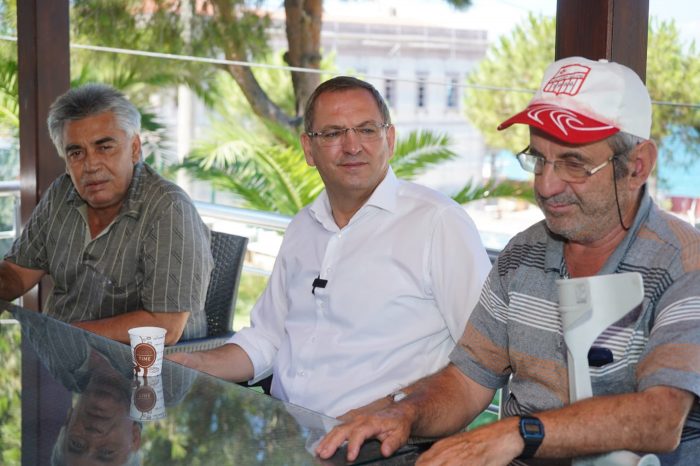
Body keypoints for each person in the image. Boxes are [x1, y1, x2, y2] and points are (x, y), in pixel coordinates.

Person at [317, 57, 700, 464]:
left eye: (574, 164)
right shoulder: (522, 254)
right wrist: (405, 413)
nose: (546, 186)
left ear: (637, 166)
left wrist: (519, 433)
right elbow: (467, 381)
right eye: (538, 159)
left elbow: (661, 417)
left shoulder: (683, 261)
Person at [167, 76, 492, 417]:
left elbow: (484, 357)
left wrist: (399, 411)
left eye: (367, 130)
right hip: (285, 428)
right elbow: (267, 338)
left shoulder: (438, 223)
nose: (352, 146)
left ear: (390, 139)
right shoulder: (303, 227)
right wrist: (193, 363)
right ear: (309, 149)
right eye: (333, 133)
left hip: (385, 438)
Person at [0, 84, 213, 345]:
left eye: (104, 147)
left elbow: (165, 326)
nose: (90, 165)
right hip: (64, 356)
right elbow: (18, 274)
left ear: (134, 148)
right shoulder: (61, 194)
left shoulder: (169, 208)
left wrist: (65, 335)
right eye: (76, 153)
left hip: (143, 365)